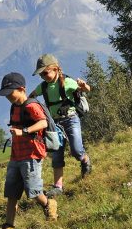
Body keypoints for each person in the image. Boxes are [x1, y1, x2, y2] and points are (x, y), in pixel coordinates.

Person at [0, 72, 58, 229]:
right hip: (16, 155)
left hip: (32, 155)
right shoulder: (15, 107)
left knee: (34, 192)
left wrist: (24, 131)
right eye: (5, 94)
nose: (8, 97)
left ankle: (49, 203)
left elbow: (42, 122)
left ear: (22, 89)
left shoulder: (31, 106)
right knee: (12, 193)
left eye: (10, 93)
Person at [29, 54, 92, 197]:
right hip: (54, 124)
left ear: (56, 69)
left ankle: (85, 160)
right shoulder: (43, 86)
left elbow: (87, 89)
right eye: (41, 75)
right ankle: (58, 186)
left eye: (45, 73)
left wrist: (84, 86)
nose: (43, 77)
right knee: (57, 155)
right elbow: (31, 97)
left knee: (76, 150)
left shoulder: (68, 82)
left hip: (71, 119)